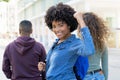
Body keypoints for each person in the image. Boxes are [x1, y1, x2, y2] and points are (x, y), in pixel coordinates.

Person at [44, 3, 95, 80]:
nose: (57, 30)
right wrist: (45, 66)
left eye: (61, 25)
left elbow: (89, 50)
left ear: (69, 25)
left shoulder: (74, 43)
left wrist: (80, 20)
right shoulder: (56, 43)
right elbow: (57, 66)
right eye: (54, 26)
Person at [81, 12, 109, 80]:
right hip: (99, 76)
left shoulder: (79, 43)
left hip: (85, 76)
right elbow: (105, 67)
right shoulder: (102, 44)